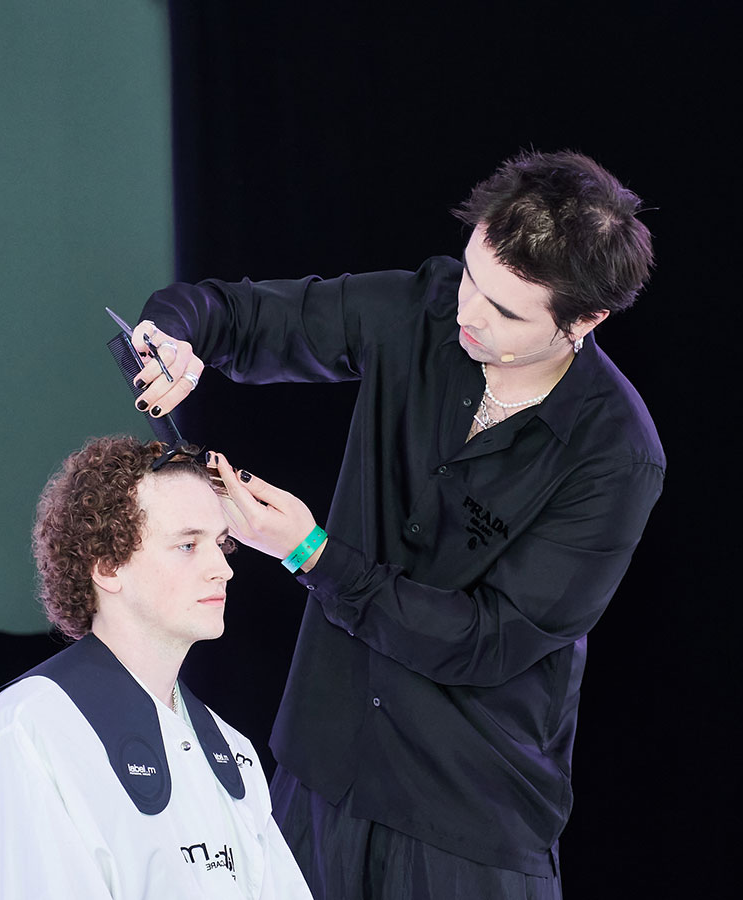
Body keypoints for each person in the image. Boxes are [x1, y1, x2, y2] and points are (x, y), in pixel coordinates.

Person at [130, 150, 666, 899]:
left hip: (467, 815)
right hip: (322, 778)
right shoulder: (424, 308)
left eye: (507, 312)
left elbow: (487, 640)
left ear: (585, 320)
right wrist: (169, 337)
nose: (468, 313)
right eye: (471, 277)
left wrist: (311, 553)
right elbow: (241, 318)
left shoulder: (615, 454)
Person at [0, 437, 313, 899]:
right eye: (187, 545)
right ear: (107, 566)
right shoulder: (28, 727)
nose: (223, 569)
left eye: (221, 544)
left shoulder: (233, 750)